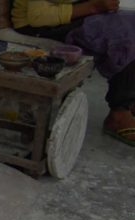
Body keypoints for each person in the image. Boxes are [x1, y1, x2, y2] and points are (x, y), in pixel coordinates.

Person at [11, 0, 135, 146]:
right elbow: (37, 16)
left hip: (77, 14)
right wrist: (94, 6)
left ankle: (130, 101)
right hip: (38, 26)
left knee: (129, 22)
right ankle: (119, 114)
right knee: (121, 34)